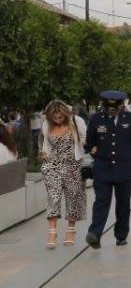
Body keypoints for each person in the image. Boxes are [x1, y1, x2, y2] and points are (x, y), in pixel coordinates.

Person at [84, 90, 131, 248]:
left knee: (123, 204)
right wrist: (95, 151)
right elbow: (90, 142)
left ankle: (121, 235)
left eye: (115, 108)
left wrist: (128, 157)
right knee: (101, 201)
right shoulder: (96, 119)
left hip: (124, 168)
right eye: (108, 108)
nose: (111, 111)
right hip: (103, 168)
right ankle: (94, 234)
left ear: (121, 105)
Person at [37, 100, 88, 249]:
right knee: (53, 198)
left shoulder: (76, 121)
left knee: (73, 198)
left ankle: (70, 231)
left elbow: (86, 139)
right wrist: (42, 154)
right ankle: (52, 233)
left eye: (60, 117)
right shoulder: (46, 124)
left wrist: (83, 142)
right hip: (52, 166)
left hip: (72, 165)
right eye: (55, 118)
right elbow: (41, 142)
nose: (58, 120)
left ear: (65, 114)